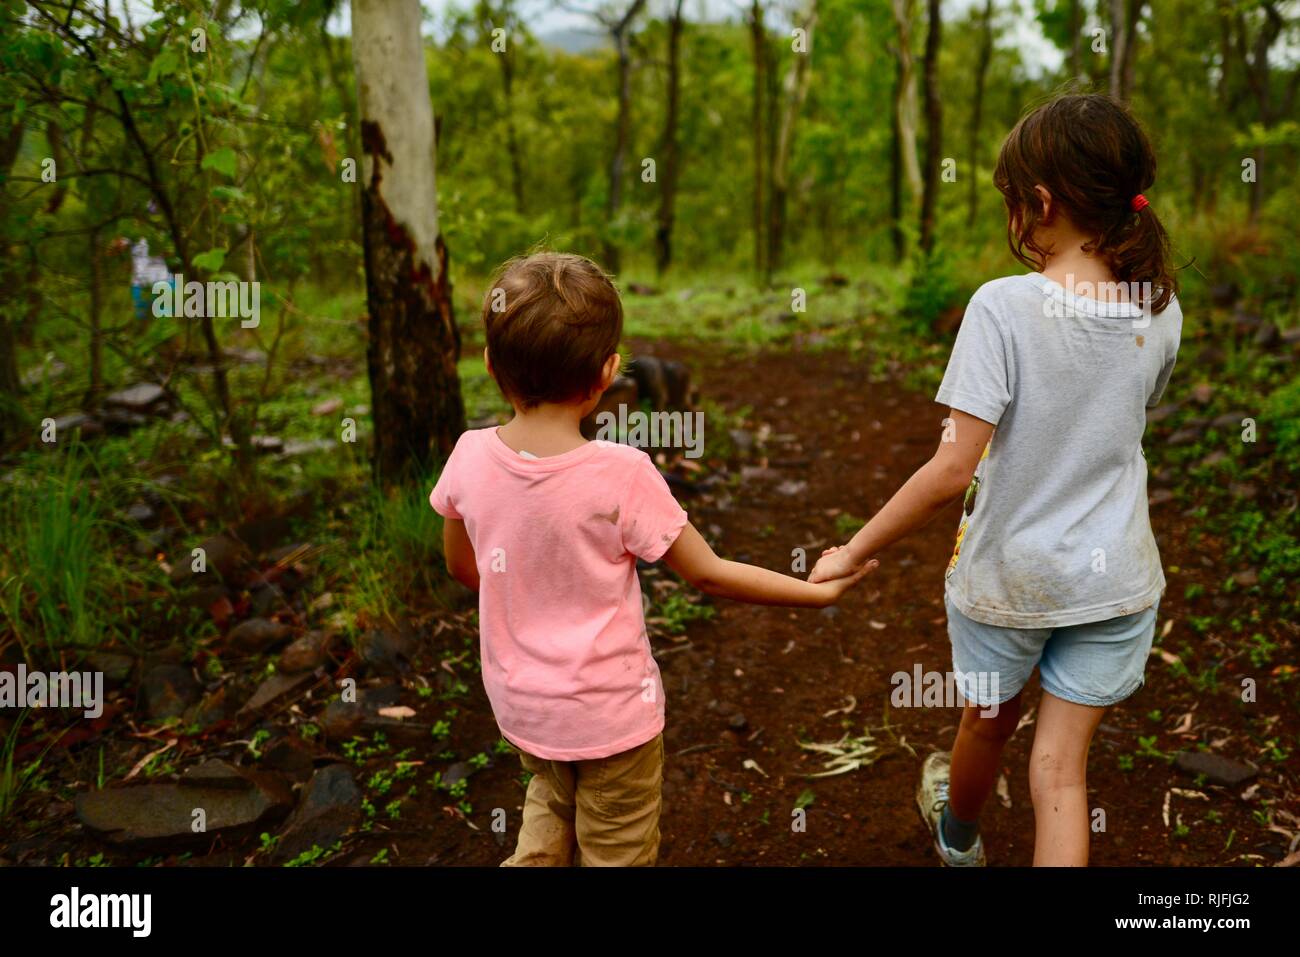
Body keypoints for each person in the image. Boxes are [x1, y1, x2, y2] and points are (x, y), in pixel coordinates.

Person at [810, 93, 1182, 867]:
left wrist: (852, 547)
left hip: (1011, 581)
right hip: (1114, 583)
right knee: (1060, 772)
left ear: (1040, 203)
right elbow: (1129, 410)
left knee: (987, 717)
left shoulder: (1003, 308)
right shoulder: (1161, 305)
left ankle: (959, 838)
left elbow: (952, 467)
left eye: (1014, 203)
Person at [429, 251, 875, 866]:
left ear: (489, 366)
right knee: (615, 850)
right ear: (607, 374)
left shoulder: (468, 457)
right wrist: (816, 591)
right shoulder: (622, 474)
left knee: (548, 807)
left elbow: (463, 568)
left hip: (525, 708)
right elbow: (710, 574)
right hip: (611, 720)